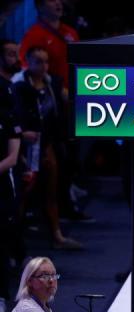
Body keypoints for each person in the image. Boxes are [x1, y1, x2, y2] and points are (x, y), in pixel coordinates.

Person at [12, 46, 83, 249]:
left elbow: (67, 102)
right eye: (38, 61)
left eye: (46, 62)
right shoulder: (18, 85)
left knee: (51, 191)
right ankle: (14, 244)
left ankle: (57, 236)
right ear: (28, 62)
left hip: (48, 144)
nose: (44, 66)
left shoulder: (53, 84)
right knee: (22, 195)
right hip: (26, 147)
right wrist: (21, 135)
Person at [0, 39, 22, 312]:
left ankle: (3, 299)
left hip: (2, 188)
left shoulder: (5, 118)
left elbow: (13, 157)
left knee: (1, 248)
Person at [19, 0, 79, 90]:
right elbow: (27, 69)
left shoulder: (71, 32)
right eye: (52, 0)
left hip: (76, 89)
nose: (58, 2)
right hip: (53, 93)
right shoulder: (33, 35)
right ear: (40, 7)